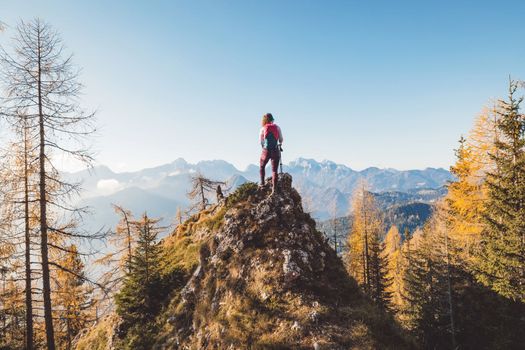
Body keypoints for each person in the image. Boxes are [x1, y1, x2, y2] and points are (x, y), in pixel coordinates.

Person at [259, 113, 283, 194]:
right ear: (272, 119)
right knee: (274, 170)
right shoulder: (277, 127)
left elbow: (261, 141)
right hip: (275, 150)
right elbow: (281, 139)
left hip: (266, 151)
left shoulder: (263, 128)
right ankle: (274, 189)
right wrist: (279, 143)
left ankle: (262, 184)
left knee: (262, 166)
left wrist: (264, 147)